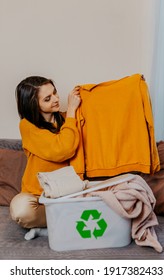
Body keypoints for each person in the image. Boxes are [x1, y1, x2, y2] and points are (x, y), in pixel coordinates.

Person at [10, 76, 81, 240]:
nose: (56, 99)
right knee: (21, 209)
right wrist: (71, 111)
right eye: (48, 99)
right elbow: (62, 149)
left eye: (55, 93)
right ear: (33, 105)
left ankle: (48, 229)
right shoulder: (27, 126)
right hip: (38, 197)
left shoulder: (66, 120)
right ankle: (63, 223)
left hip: (68, 193)